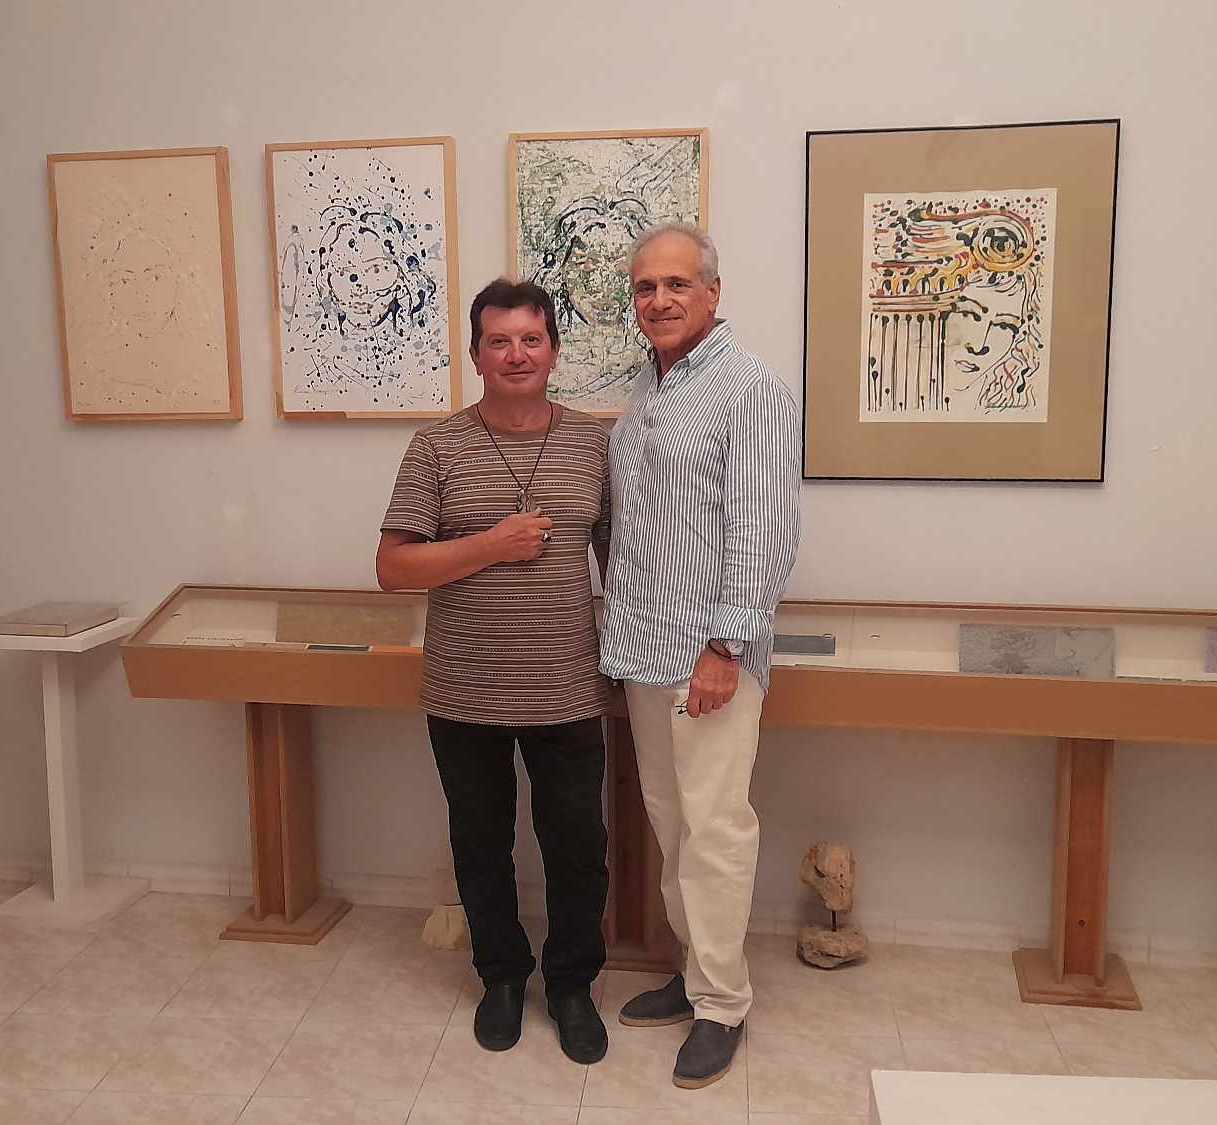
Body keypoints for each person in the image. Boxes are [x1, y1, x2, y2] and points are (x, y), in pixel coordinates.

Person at [376, 278, 612, 1064]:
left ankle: (571, 985)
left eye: (530, 339)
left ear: (554, 350)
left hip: (568, 686)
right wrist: (490, 544)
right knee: (481, 844)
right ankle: (501, 978)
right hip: (463, 688)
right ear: (475, 355)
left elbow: (620, 560)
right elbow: (393, 567)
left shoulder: (593, 444)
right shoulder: (436, 446)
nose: (516, 354)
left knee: (576, 847)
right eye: (498, 341)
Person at [600, 223, 801, 1089]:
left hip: (706, 655)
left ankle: (722, 1003)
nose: (660, 299)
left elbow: (763, 527)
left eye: (677, 284)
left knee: (714, 830)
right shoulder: (645, 390)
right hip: (642, 649)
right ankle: (694, 974)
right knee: (670, 822)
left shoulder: (750, 390)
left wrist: (725, 644)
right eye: (646, 287)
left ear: (713, 293)